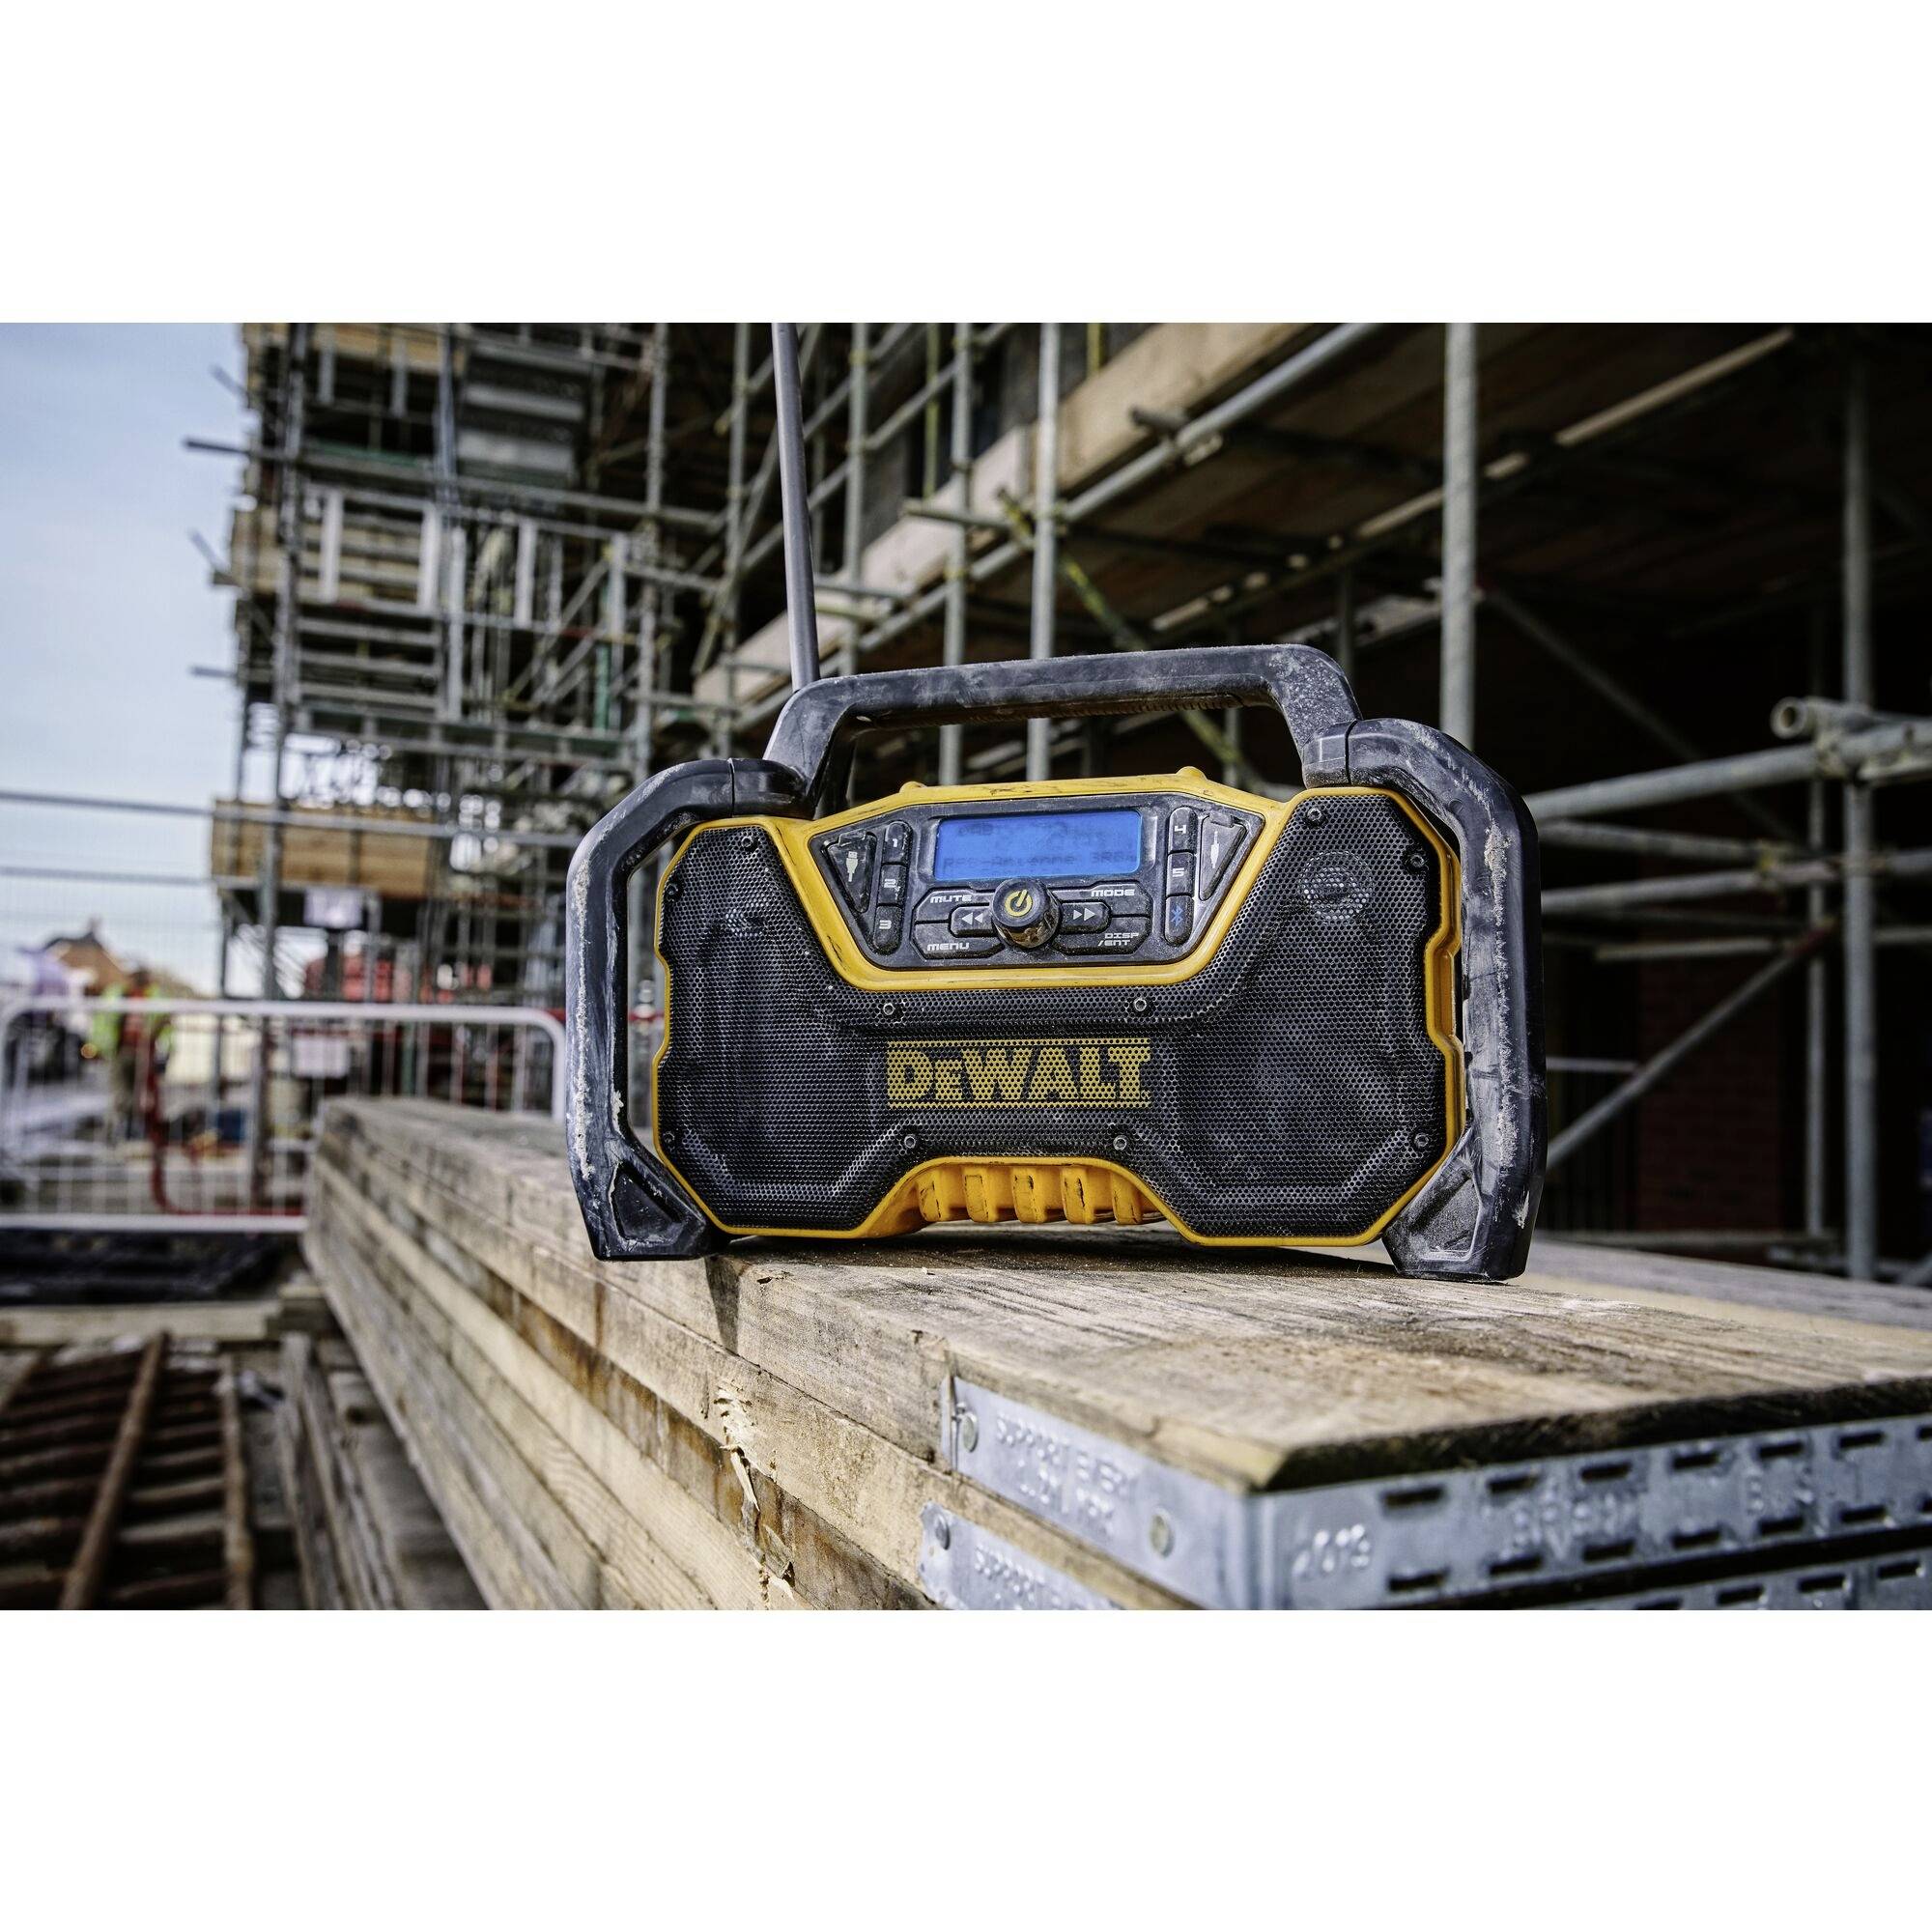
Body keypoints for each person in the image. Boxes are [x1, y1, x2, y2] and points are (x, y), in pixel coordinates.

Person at [92, 967, 171, 1142]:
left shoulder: (155, 996)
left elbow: (165, 1023)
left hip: (145, 1051)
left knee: (141, 1094)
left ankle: (135, 1131)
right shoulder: (117, 994)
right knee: (121, 1093)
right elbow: (103, 1021)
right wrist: (102, 1046)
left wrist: (163, 1049)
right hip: (121, 1050)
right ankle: (118, 1131)